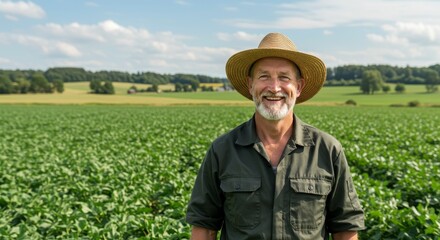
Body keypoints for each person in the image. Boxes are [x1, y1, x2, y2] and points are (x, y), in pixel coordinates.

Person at [186, 32, 365, 240]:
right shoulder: (222, 150)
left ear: (298, 87)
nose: (274, 87)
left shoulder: (327, 149)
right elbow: (204, 227)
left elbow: (346, 228)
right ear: (250, 85)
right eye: (264, 77)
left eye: (284, 77)